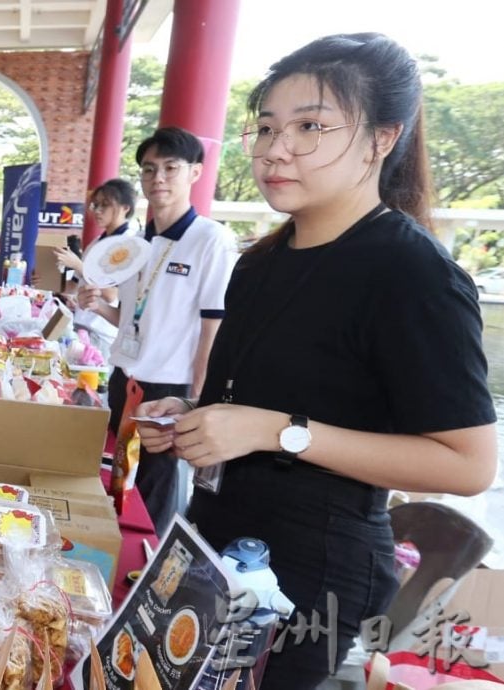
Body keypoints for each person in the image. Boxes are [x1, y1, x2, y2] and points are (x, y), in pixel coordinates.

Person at [135, 34, 497, 688]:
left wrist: (276, 431)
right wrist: (194, 415)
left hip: (310, 573)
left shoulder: (410, 274)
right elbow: (249, 398)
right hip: (212, 539)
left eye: (309, 127)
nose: (276, 149)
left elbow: (468, 464)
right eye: (267, 127)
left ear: (380, 139)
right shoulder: (259, 262)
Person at [79, 127, 236, 535]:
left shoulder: (210, 239)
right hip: (123, 378)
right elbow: (134, 320)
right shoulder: (137, 244)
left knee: (154, 496)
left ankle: (143, 576)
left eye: (171, 168)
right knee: (117, 481)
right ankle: (112, 559)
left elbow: (212, 327)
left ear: (196, 173)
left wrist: (199, 400)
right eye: (149, 170)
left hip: (169, 390)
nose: (158, 178)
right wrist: (101, 307)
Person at [54, 178, 137, 283]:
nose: (97, 211)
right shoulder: (96, 242)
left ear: (125, 208)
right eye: (96, 205)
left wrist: (77, 265)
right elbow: (74, 286)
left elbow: (112, 292)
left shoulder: (131, 242)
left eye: (105, 204)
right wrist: (47, 280)